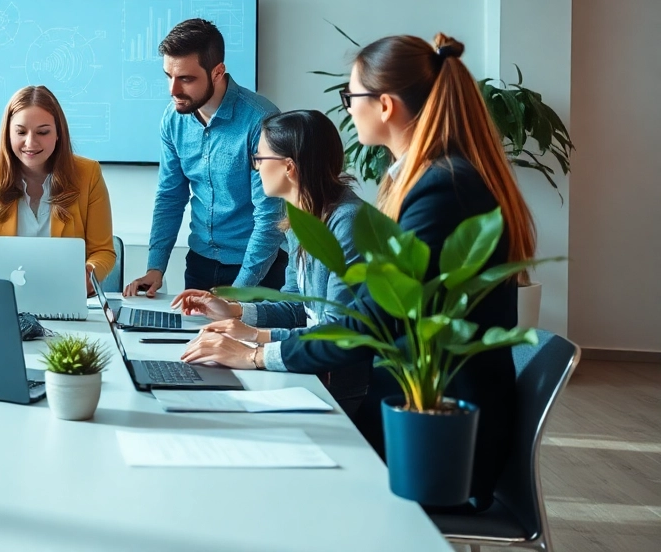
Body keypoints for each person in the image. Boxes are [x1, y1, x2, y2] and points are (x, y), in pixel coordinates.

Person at [180, 34, 534, 511]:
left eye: (352, 96)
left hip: (438, 439)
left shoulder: (440, 190)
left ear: (384, 105)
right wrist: (249, 333)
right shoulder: (429, 181)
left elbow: (363, 324)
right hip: (420, 418)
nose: (348, 109)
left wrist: (255, 354)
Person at [171, 110, 370, 413]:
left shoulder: (348, 224)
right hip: (308, 373)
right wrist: (236, 311)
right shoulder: (302, 216)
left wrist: (252, 353)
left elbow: (336, 334)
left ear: (289, 167)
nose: (256, 167)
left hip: (336, 389)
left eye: (259, 159)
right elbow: (297, 308)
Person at [124, 18, 287, 297]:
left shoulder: (260, 121)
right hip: (200, 264)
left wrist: (237, 294)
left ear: (217, 72)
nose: (173, 90)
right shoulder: (173, 119)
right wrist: (155, 267)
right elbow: (170, 196)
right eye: (168, 76)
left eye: (186, 79)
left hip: (258, 268)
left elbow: (270, 216)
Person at [0, 85, 115, 288]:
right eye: (20, 132)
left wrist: (88, 274)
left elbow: (102, 251)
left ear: (58, 133)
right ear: (8, 134)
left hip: (65, 296)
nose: (30, 143)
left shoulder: (88, 174)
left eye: (43, 132)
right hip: (2, 299)